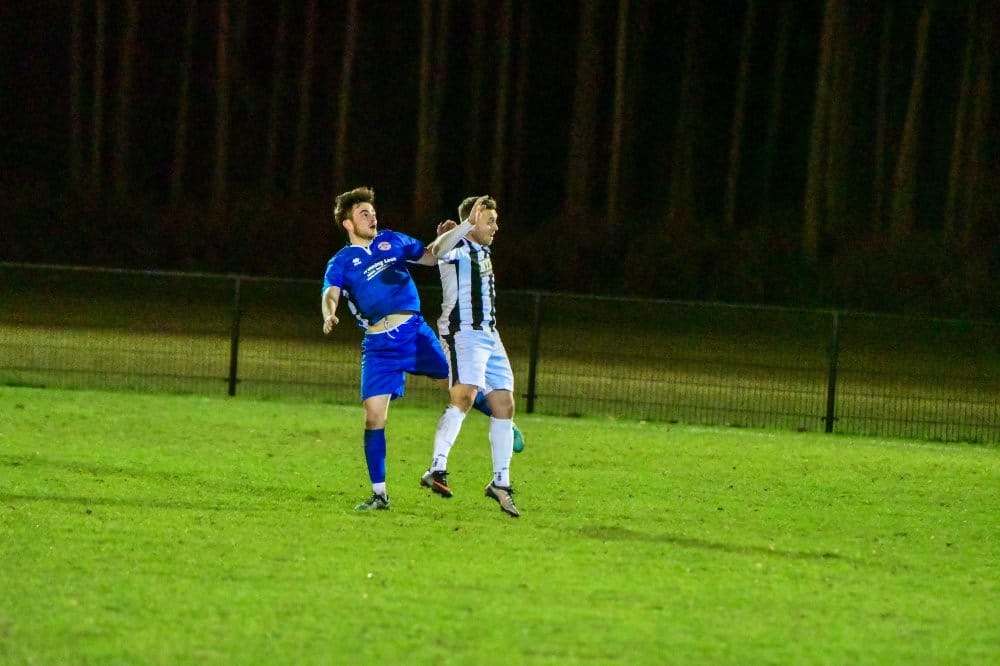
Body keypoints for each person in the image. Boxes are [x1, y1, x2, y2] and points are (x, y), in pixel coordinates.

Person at [322, 186, 486, 511]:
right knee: (373, 417)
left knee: (457, 386)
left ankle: (501, 416)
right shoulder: (341, 261)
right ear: (348, 223)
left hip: (414, 333)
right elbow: (331, 292)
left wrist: (460, 229)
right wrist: (329, 313)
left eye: (372, 212)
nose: (372, 218)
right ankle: (379, 495)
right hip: (378, 346)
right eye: (364, 214)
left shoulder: (392, 240)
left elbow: (432, 254)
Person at [420, 195, 521, 517]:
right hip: (464, 333)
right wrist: (462, 227)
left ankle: (500, 483)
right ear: (473, 221)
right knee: (464, 396)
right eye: (489, 221)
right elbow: (436, 251)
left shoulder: (481, 249)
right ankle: (436, 468)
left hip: (490, 335)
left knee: (504, 404)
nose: (495, 227)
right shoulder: (458, 248)